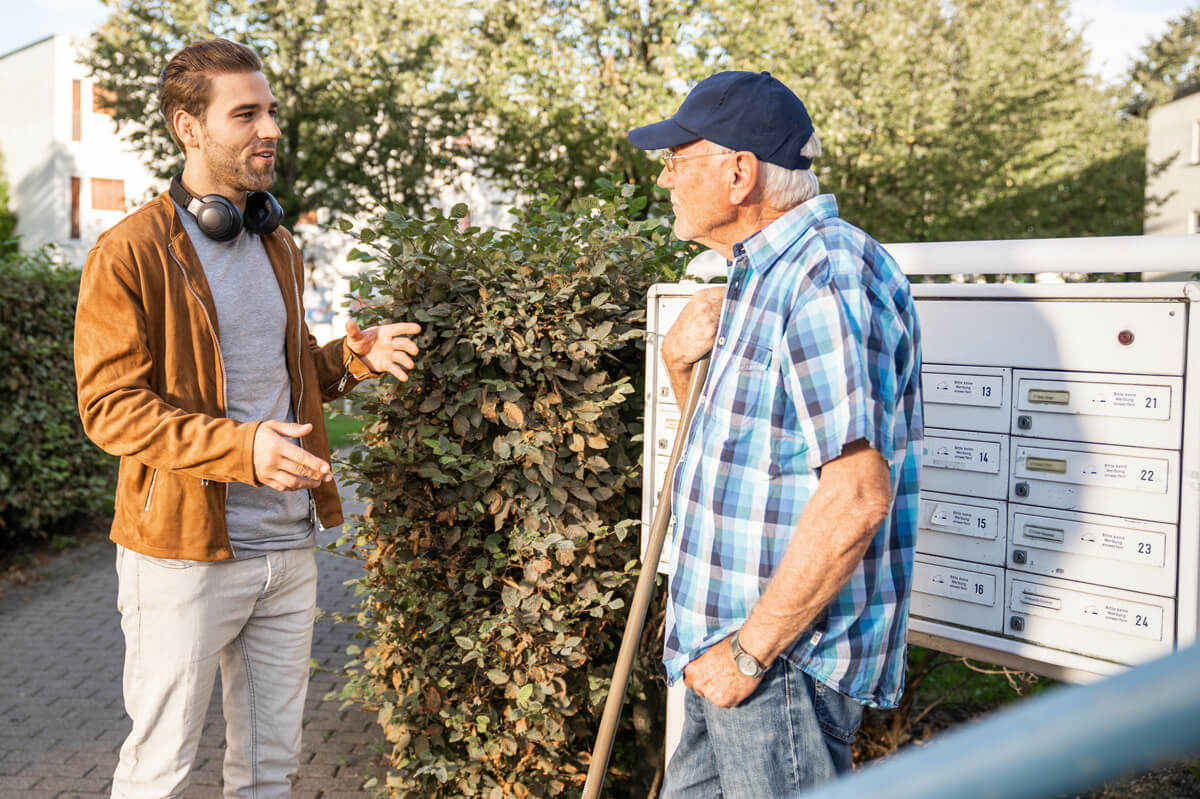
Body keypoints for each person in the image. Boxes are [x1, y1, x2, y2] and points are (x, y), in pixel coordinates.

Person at [73, 39, 420, 799]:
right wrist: (243, 448)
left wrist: (351, 360)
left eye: (270, 110)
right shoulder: (128, 252)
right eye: (246, 113)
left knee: (269, 770)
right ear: (188, 128)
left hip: (288, 547)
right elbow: (110, 408)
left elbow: (286, 369)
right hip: (183, 558)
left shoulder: (277, 242)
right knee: (158, 772)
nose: (270, 128)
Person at [627, 70, 922, 796]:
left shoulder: (825, 272)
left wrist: (750, 655)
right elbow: (748, 451)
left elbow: (857, 495)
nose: (664, 179)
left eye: (676, 159)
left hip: (780, 664)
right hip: (721, 647)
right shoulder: (758, 274)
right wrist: (677, 363)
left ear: (738, 172)